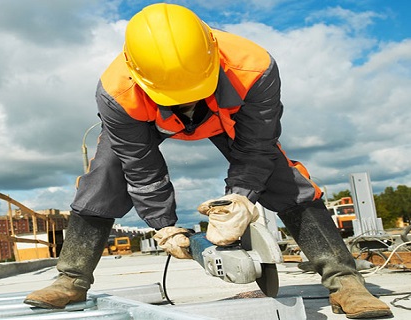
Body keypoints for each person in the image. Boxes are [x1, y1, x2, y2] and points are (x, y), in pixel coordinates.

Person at [24, 3, 392, 318]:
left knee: (283, 179)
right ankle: (70, 279)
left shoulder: (254, 66)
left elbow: (257, 146)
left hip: (225, 115)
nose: (186, 103)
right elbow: (140, 164)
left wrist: (238, 200)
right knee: (103, 175)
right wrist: (163, 225)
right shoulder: (118, 91)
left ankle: (346, 282)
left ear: (213, 54)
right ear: (139, 74)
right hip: (148, 121)